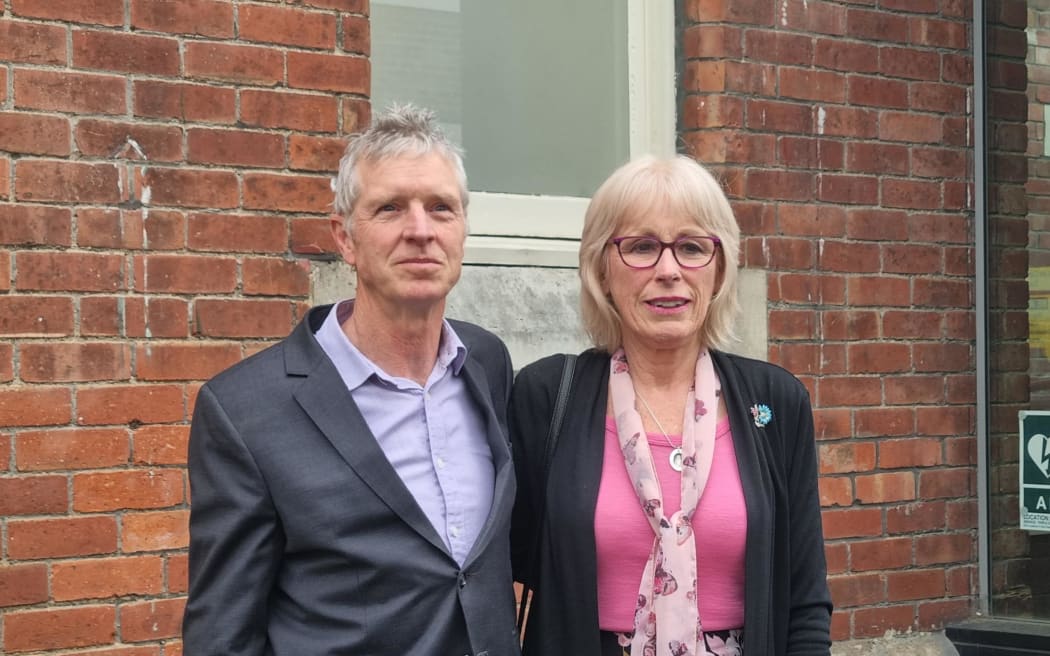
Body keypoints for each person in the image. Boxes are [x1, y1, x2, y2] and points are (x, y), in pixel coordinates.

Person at [182, 105, 521, 656]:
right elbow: (224, 635)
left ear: (462, 228)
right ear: (345, 238)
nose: (420, 231)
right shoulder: (246, 411)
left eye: (441, 208)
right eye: (390, 209)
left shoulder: (486, 362)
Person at [510, 155, 832, 656]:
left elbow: (805, 601)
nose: (668, 270)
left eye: (691, 247)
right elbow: (507, 581)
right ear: (602, 266)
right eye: (640, 247)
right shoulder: (548, 396)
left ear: (719, 266)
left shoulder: (775, 404)